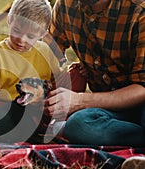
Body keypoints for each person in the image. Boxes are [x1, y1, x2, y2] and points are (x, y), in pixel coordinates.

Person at [0, 0, 85, 143]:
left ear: (42, 33)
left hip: (38, 110)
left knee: (76, 75)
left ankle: (56, 124)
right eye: (16, 31)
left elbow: (57, 81)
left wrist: (76, 72)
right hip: (6, 113)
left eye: (30, 36)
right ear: (9, 20)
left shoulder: (45, 52)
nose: (21, 40)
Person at [48, 0, 145, 148]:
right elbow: (46, 59)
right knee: (79, 125)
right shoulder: (65, 6)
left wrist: (79, 101)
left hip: (141, 101)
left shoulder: (139, 11)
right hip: (107, 108)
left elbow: (143, 88)